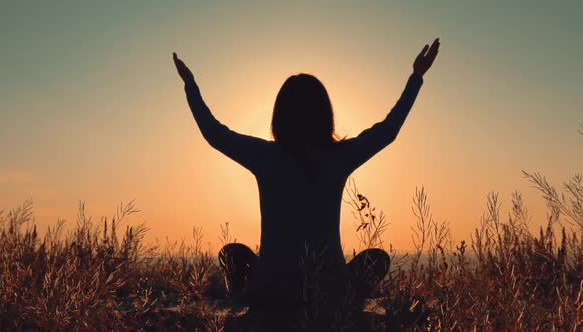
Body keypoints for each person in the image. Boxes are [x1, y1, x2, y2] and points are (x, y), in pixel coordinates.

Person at [173, 38, 440, 315]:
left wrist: (190, 84)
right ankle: (346, 307)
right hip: (328, 291)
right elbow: (388, 130)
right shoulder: (339, 156)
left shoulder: (264, 155)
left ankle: (251, 305)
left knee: (232, 254)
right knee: (378, 259)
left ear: (280, 115)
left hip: (272, 291)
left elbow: (215, 134)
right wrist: (416, 77)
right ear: (325, 114)